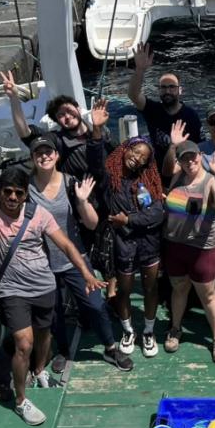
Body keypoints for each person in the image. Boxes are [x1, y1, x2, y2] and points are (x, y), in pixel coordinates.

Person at [0, 167, 107, 425]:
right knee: (24, 344)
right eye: (7, 192)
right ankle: (21, 400)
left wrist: (86, 274)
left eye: (18, 193)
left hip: (44, 287)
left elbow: (65, 244)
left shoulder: (38, 214)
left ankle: (40, 369)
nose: (12, 197)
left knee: (45, 335)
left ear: (25, 195)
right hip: (13, 291)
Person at [29, 102, 134, 373]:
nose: (44, 157)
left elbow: (92, 222)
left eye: (48, 152)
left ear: (56, 155)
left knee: (96, 305)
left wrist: (83, 201)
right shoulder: (25, 189)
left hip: (73, 257)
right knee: (54, 312)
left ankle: (110, 348)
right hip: (41, 262)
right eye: (38, 153)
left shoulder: (70, 183)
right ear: (32, 158)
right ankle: (62, 350)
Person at [89, 114, 166, 357]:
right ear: (125, 149)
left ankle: (149, 331)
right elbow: (95, 162)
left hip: (149, 243)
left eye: (143, 157)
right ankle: (128, 330)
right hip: (123, 243)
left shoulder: (150, 182)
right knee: (123, 290)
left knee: (151, 288)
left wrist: (129, 220)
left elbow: (157, 214)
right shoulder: (110, 178)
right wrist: (97, 130)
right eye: (135, 151)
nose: (137, 158)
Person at [161, 135, 215, 360]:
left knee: (207, 294)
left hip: (202, 248)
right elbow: (166, 167)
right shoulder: (177, 175)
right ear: (179, 161)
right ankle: (175, 328)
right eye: (184, 158)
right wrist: (173, 145)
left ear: (201, 156)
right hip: (175, 245)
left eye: (193, 157)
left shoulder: (209, 180)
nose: (190, 162)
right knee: (179, 288)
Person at [0, 71, 96, 181]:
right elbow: (25, 133)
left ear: (78, 108)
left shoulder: (100, 131)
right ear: (57, 121)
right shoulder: (57, 140)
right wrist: (14, 98)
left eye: (69, 110)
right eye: (61, 115)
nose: (67, 116)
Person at [127, 42, 202, 175]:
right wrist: (139, 70)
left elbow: (198, 149)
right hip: (154, 172)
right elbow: (133, 95)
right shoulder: (152, 109)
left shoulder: (191, 116)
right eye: (163, 87)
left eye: (172, 87)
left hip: (182, 173)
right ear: (159, 90)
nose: (167, 91)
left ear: (180, 90)